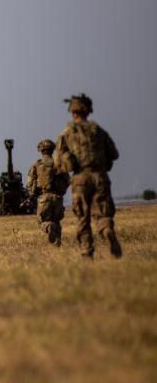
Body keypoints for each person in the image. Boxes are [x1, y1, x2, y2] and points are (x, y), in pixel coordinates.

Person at [54, 94, 121, 259]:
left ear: (72, 111)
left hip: (80, 178)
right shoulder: (97, 130)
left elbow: (58, 160)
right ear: (88, 110)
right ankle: (107, 230)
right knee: (102, 214)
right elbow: (114, 153)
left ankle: (86, 252)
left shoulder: (67, 132)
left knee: (83, 217)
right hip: (100, 176)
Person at [26, 139, 69, 246]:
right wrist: (61, 192)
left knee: (44, 221)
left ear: (41, 150)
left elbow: (30, 183)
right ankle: (56, 244)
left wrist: (32, 195)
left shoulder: (36, 166)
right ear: (52, 150)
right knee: (57, 221)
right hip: (57, 197)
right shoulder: (59, 164)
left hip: (43, 198)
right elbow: (67, 180)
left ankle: (49, 228)